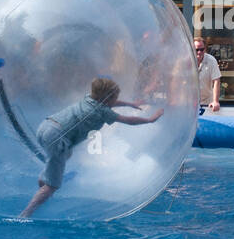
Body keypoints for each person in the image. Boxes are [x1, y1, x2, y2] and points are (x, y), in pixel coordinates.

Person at [19, 77, 163, 218]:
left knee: (65, 154)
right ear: (107, 99)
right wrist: (150, 120)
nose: (115, 101)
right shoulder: (103, 112)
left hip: (46, 127)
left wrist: (129, 104)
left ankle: (46, 178)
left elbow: (109, 102)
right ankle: (27, 212)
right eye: (114, 98)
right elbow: (128, 120)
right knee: (53, 185)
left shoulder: (89, 98)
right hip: (57, 138)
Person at [194, 37, 221, 113]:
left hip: (207, 103)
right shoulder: (184, 60)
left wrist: (215, 101)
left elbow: (216, 80)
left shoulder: (211, 60)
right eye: (196, 50)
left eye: (201, 49)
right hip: (189, 103)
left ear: (205, 49)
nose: (199, 52)